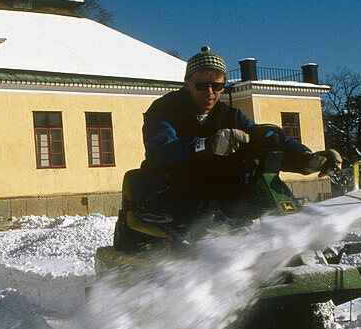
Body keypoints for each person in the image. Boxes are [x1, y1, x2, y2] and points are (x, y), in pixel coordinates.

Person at [131, 46, 342, 235]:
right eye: (202, 85)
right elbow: (162, 151)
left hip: (218, 191)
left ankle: (295, 237)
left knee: (262, 183)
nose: (210, 93)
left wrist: (305, 158)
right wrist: (206, 144)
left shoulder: (231, 115)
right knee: (209, 207)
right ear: (187, 84)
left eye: (218, 86)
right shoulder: (163, 110)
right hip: (170, 190)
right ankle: (217, 250)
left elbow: (264, 142)